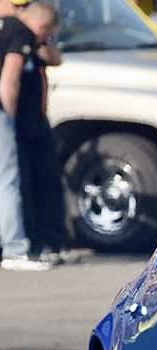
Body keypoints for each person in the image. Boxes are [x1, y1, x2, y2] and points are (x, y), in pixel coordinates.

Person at [12, 0, 66, 264]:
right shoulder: (15, 38)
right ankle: (31, 240)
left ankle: (51, 240)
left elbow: (56, 59)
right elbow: (9, 80)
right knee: (23, 182)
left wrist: (42, 45)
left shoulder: (36, 44)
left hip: (37, 119)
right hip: (19, 120)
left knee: (47, 179)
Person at [0, 0, 51, 270]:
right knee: (7, 180)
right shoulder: (18, 30)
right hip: (3, 114)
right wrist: (10, 118)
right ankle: (14, 249)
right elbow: (9, 79)